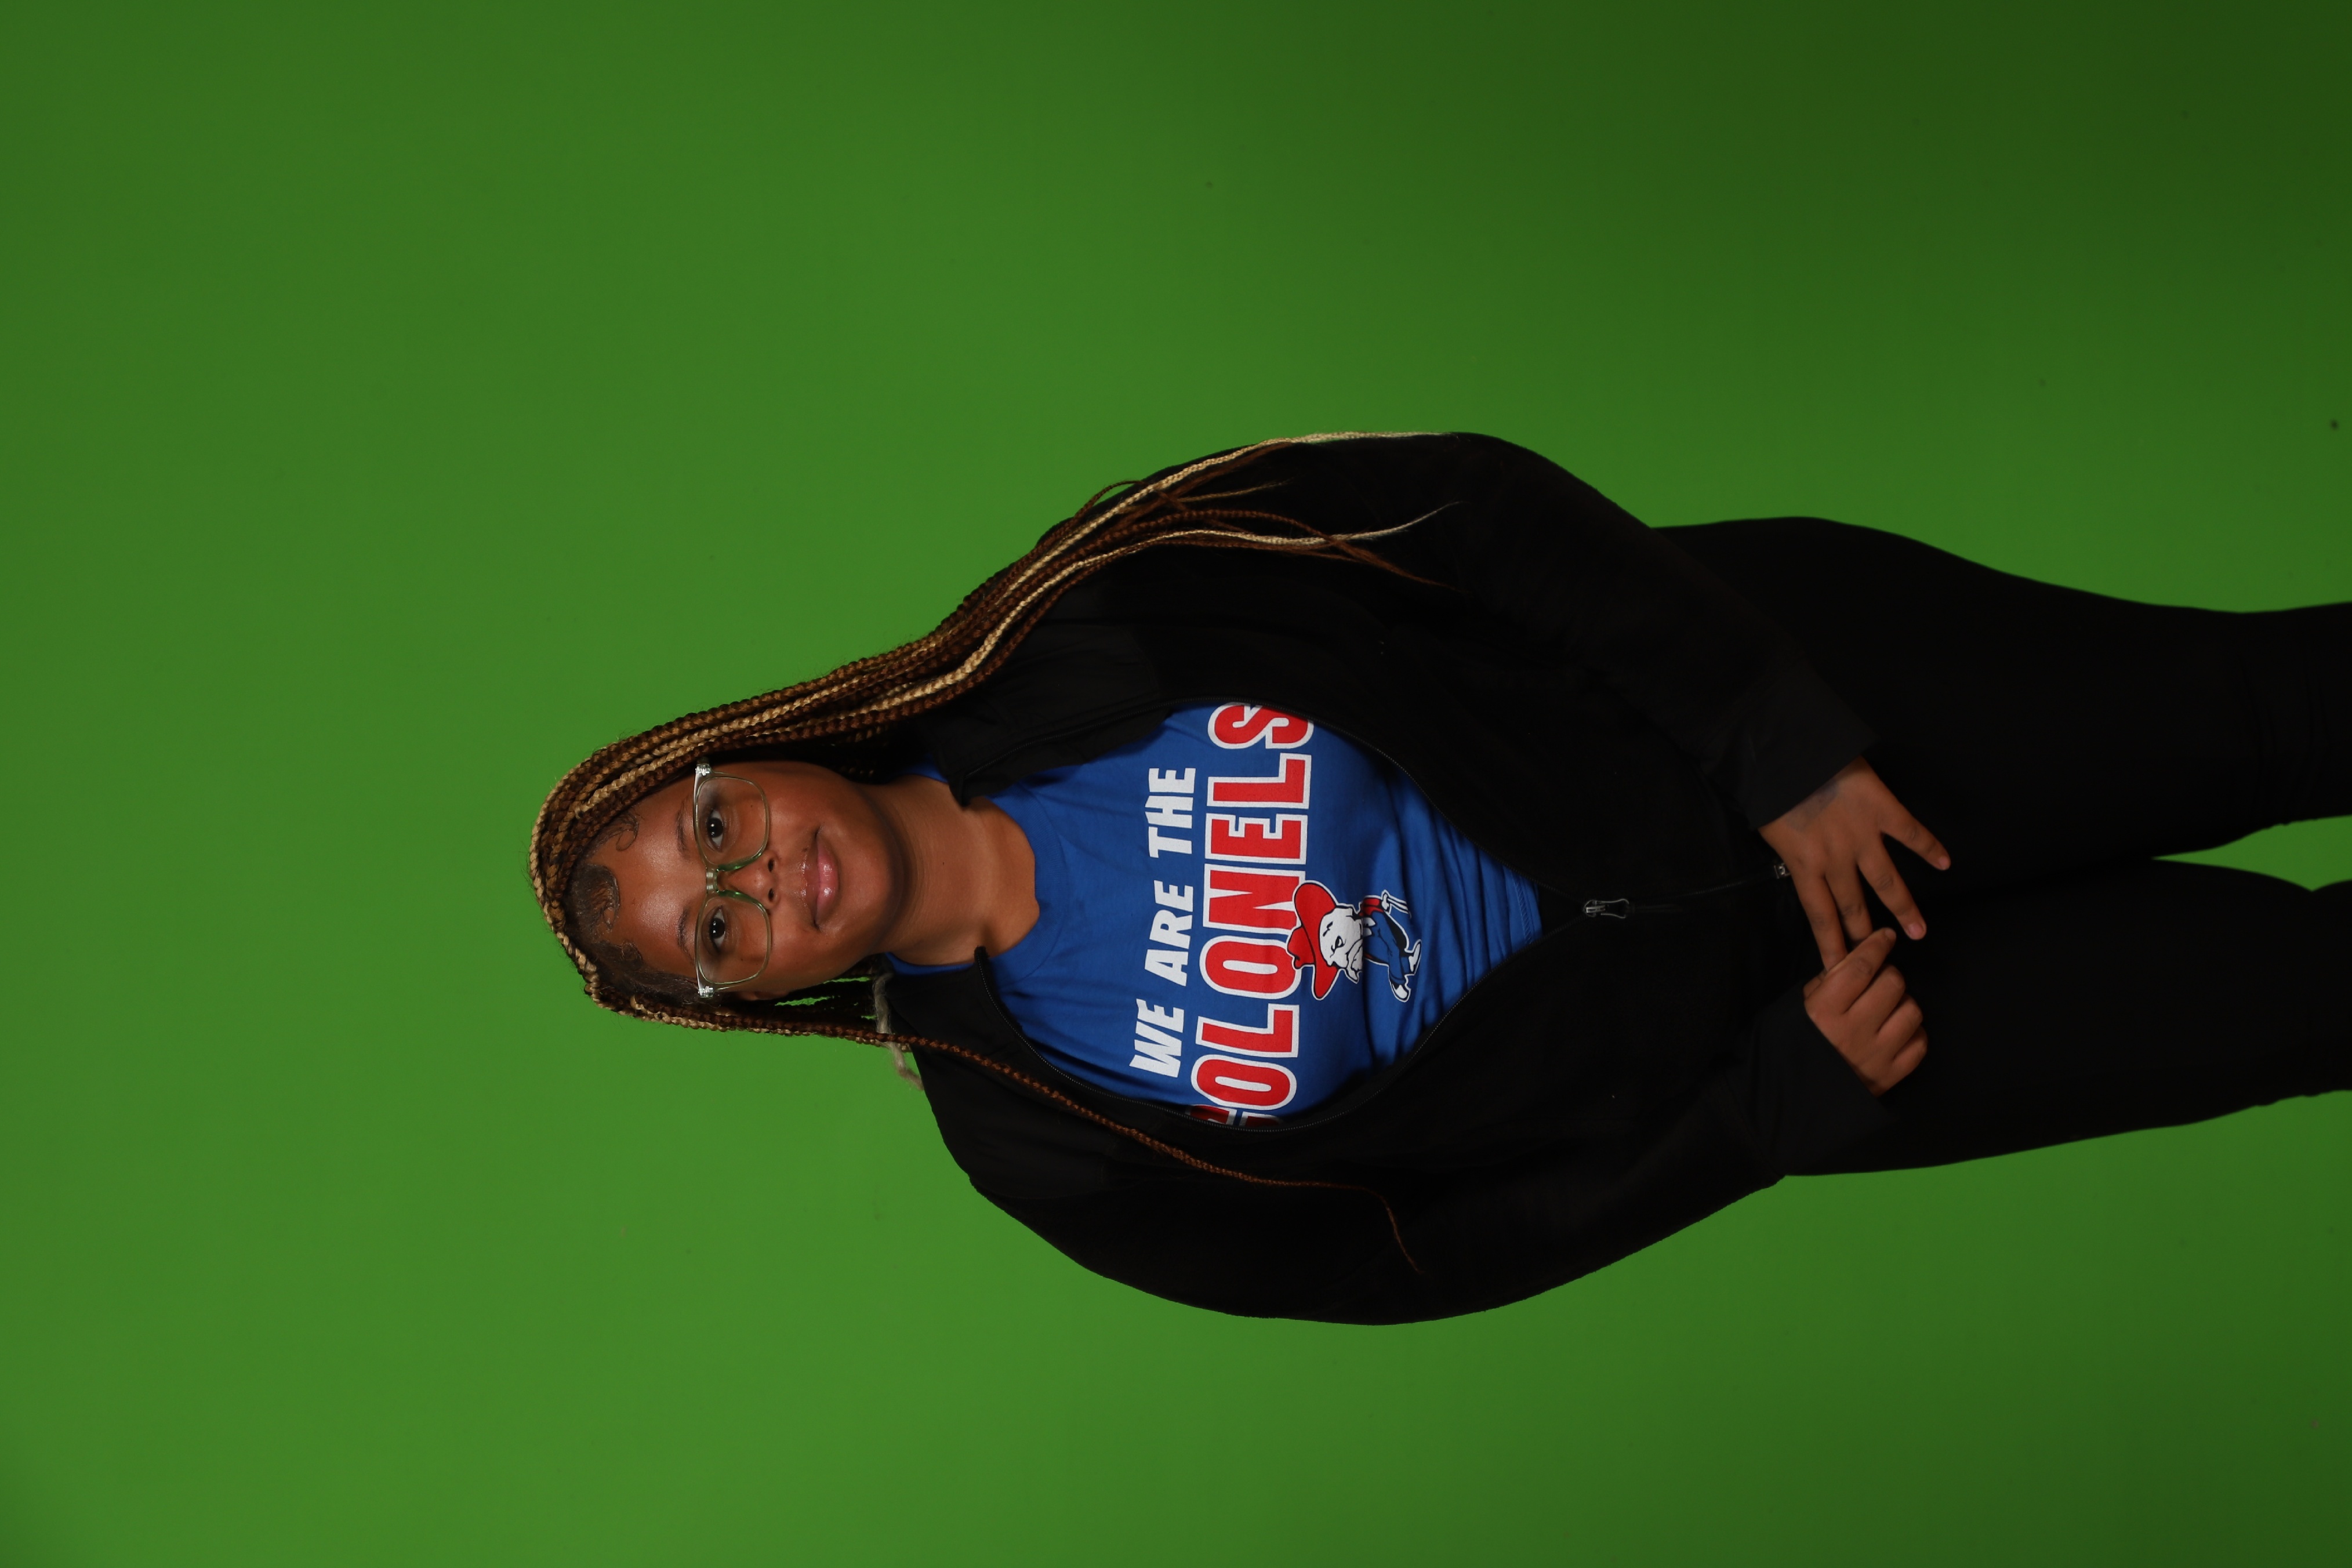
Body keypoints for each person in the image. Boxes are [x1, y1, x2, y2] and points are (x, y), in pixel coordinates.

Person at [529, 431, 2352, 1324]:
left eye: (711, 829)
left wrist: (1778, 743)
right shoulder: (1039, 1138)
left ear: (743, 748)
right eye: (716, 938)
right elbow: (1413, 1261)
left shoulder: (1090, 607)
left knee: (2276, 719)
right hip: (1827, 1032)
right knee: (2300, 1007)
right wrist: (1764, 1115)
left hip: (1824, 723)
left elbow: (1473, 511)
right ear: (750, 997)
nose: (758, 883)